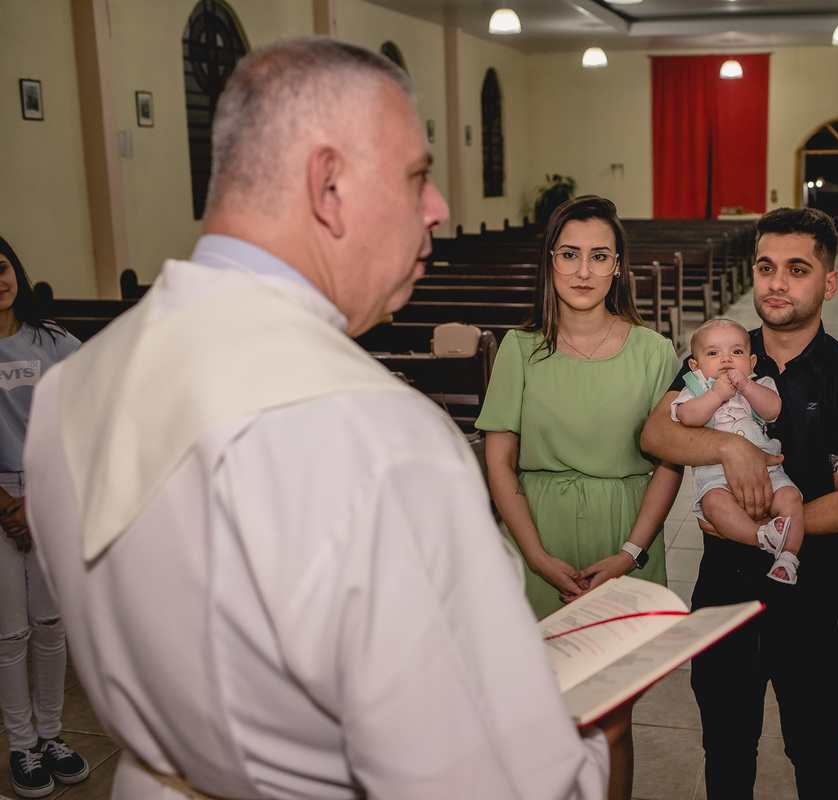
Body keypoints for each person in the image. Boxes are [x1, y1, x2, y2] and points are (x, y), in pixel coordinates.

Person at [23, 38, 626, 799]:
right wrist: (592, 743)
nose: (439, 207)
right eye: (417, 177)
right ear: (327, 184)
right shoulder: (376, 438)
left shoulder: (71, 387)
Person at [641, 207, 838, 800]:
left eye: (797, 269)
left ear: (827, 283)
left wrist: (766, 524)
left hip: (815, 597)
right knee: (726, 754)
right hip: (724, 591)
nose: (777, 282)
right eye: (766, 266)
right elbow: (657, 434)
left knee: (817, 753)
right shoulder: (720, 351)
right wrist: (731, 447)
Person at [476, 194, 682, 800]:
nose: (584, 271)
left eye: (599, 256)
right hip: (534, 536)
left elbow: (669, 463)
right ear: (551, 262)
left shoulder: (653, 351)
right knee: (533, 717)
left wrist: (632, 551)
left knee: (609, 719)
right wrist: (534, 555)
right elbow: (499, 461)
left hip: (622, 537)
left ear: (619, 266)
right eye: (570, 255)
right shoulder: (519, 349)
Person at [0, 236, 90, 799]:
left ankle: (53, 735)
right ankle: (20, 743)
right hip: (0, 500)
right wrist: (9, 505)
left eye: (1, 266)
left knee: (51, 624)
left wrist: (38, 498)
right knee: (8, 632)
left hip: (50, 493)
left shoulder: (53, 342)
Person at [671, 318, 804, 584]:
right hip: (716, 478)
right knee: (714, 506)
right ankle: (760, 535)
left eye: (737, 352)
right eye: (713, 353)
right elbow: (688, 417)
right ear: (695, 366)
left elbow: (772, 410)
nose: (726, 360)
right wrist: (716, 395)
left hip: (769, 472)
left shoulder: (759, 383)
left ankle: (788, 556)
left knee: (790, 497)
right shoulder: (694, 390)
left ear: (752, 362)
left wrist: (746, 386)